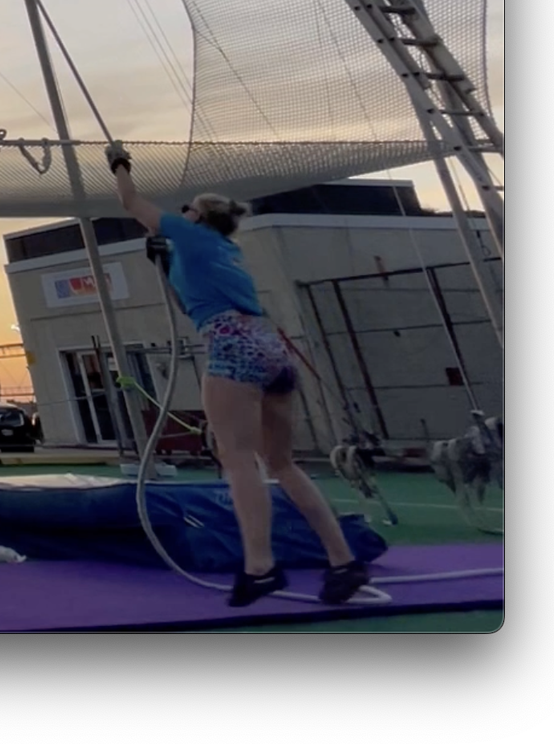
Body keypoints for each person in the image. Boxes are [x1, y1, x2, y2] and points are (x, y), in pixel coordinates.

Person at [106, 142, 369, 606]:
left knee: (237, 457)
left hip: (233, 346)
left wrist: (119, 162)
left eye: (187, 208)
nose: (180, 211)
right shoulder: (223, 250)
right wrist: (165, 265)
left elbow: (130, 202)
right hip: (270, 348)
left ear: (198, 216)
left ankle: (260, 566)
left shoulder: (192, 236)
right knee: (282, 463)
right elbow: (190, 306)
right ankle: (342, 561)